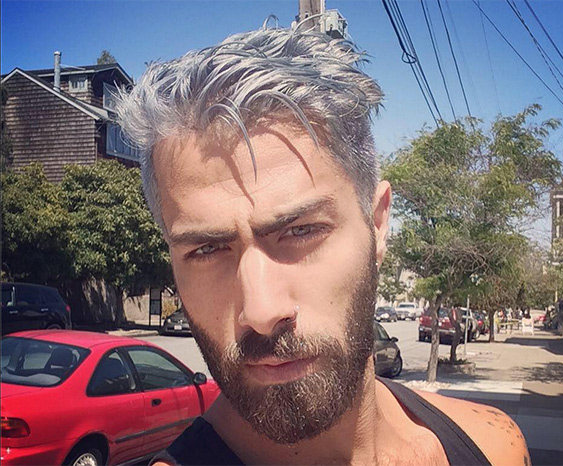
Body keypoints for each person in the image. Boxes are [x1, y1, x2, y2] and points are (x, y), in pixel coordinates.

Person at [117, 22, 529, 466]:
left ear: (377, 224)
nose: (260, 312)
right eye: (206, 250)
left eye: (300, 231)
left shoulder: (493, 444)